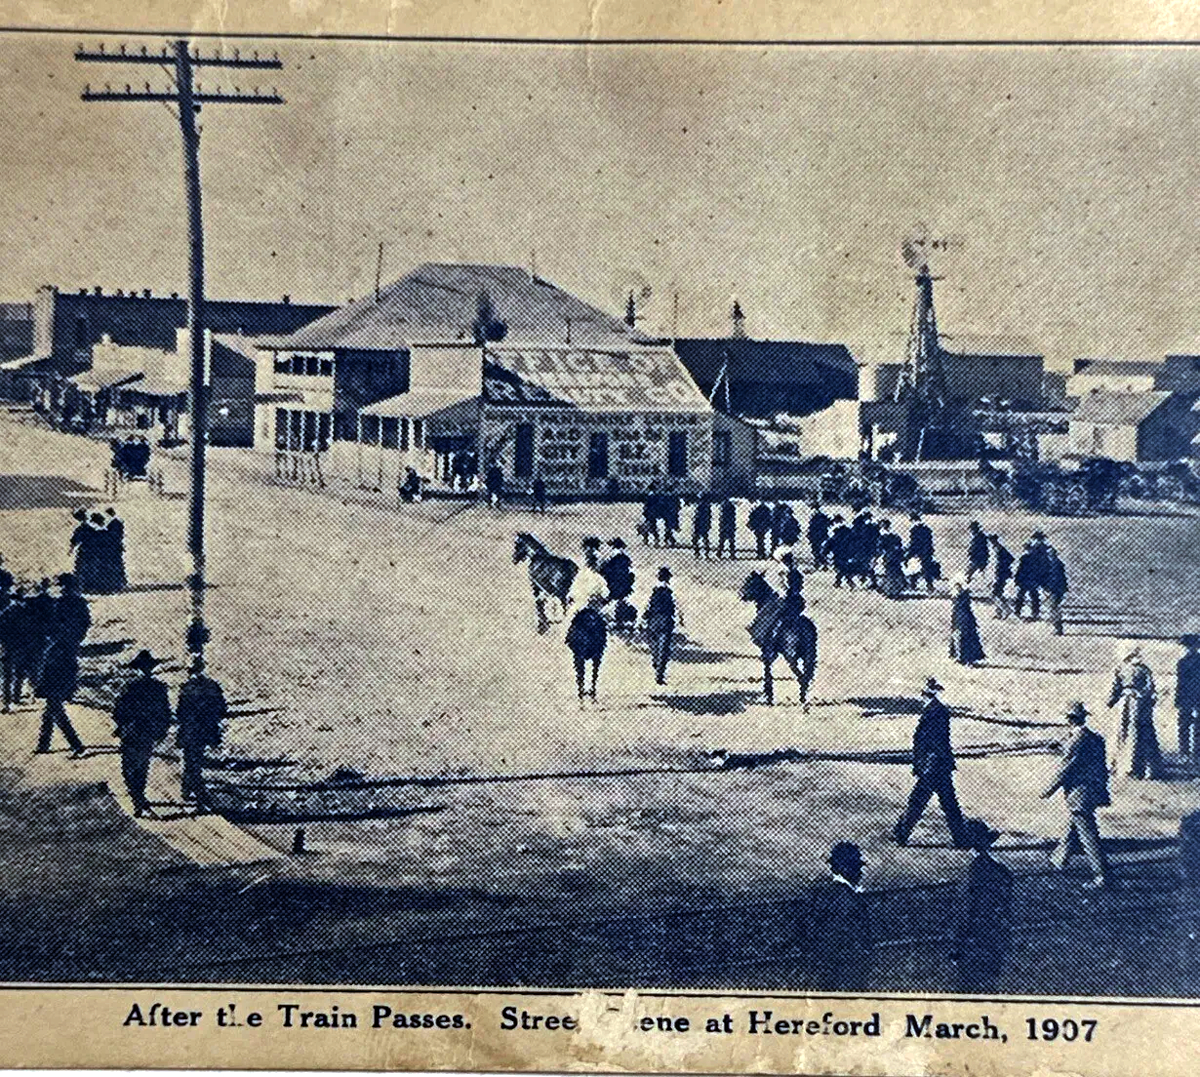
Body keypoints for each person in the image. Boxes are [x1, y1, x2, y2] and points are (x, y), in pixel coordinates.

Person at [1042, 701, 1111, 889]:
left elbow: (1067, 766)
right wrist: (1060, 746)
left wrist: (1048, 790)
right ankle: (1059, 859)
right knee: (1076, 824)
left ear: (1069, 719)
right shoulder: (1095, 738)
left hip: (1079, 793)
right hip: (1093, 791)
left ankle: (1101, 875)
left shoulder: (1076, 740)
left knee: (1088, 834)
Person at [894, 677, 969, 848]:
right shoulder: (936, 711)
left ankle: (902, 833)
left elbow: (933, 742)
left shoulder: (936, 712)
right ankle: (961, 838)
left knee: (918, 801)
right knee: (948, 804)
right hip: (938, 765)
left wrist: (926, 765)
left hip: (933, 766)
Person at [952, 819, 1014, 993]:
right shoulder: (1003, 872)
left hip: (973, 942)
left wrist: (957, 947)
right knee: (991, 990)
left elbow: (965, 912)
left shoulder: (969, 874)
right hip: (995, 940)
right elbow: (1007, 909)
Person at [111, 649, 173, 818]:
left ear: (137, 668)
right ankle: (139, 797)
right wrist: (161, 731)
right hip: (148, 732)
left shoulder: (129, 686)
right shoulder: (159, 688)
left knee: (128, 768)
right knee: (142, 766)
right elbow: (165, 712)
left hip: (131, 731)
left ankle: (137, 798)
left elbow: (118, 710)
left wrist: (121, 724)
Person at [808, 842, 872, 991]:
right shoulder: (852, 902)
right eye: (857, 868)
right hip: (847, 973)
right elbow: (857, 941)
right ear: (846, 869)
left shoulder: (821, 892)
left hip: (824, 971)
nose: (861, 873)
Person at [33, 583, 88, 758]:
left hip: (59, 670)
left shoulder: (66, 608)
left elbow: (55, 627)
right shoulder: (74, 605)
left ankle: (76, 744)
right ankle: (44, 743)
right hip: (60, 667)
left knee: (54, 706)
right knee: (52, 706)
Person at [176, 656, 227, 807]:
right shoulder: (212, 686)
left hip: (190, 730)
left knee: (191, 759)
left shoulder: (186, 687)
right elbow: (222, 709)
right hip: (205, 730)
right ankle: (190, 788)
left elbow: (180, 712)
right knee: (196, 759)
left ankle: (196, 792)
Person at [1107, 643, 1163, 781]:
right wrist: (1144, 698)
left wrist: (1110, 702)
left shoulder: (1121, 668)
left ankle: (1124, 766)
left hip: (1126, 704)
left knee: (1124, 731)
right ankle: (1141, 768)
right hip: (1140, 704)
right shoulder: (1144, 669)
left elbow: (1115, 688)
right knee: (1140, 731)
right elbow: (1150, 688)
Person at [643, 567, 681, 685]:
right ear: (668, 578)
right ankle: (660, 673)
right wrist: (680, 619)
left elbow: (646, 607)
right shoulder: (671, 591)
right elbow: (678, 608)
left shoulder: (653, 590)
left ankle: (656, 663)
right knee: (664, 648)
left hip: (654, 621)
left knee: (654, 645)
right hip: (666, 621)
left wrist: (643, 619)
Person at [949, 579, 985, 666]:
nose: (957, 587)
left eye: (959, 586)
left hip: (965, 620)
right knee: (957, 638)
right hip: (958, 619)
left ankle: (967, 659)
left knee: (965, 639)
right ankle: (959, 657)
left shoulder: (963, 595)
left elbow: (964, 609)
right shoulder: (956, 595)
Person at [1177, 635, 1200, 757]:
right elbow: (1180, 682)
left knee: (1197, 726)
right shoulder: (1181, 662)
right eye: (1186, 647)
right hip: (1185, 698)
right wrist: (1178, 699)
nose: (1188, 649)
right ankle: (1184, 752)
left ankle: (1196, 753)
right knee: (1183, 725)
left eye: (1190, 646)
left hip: (1197, 697)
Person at [1013, 538, 1045, 621]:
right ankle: (1032, 613)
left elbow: (1020, 570)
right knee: (1029, 597)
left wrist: (1017, 579)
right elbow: (1021, 570)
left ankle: (1022, 612)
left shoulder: (1026, 558)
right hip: (1029, 580)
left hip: (1027, 580)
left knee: (1028, 597)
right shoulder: (1033, 558)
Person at [906, 514, 937, 593]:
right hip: (927, 552)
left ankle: (913, 585)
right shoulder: (927, 529)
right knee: (927, 569)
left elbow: (914, 543)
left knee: (914, 569)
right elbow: (930, 542)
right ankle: (930, 586)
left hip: (918, 552)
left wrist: (910, 553)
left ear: (913, 520)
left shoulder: (914, 530)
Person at [1043, 546, 1069, 636]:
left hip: (1056, 589)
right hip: (1059, 589)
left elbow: (1054, 579)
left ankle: (1058, 628)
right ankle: (1058, 628)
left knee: (1053, 608)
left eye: (1049, 554)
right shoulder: (1057, 563)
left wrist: (1048, 588)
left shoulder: (1055, 564)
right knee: (1054, 608)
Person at [877, 519, 906, 599]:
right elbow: (900, 545)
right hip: (896, 556)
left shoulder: (883, 536)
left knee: (889, 573)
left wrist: (879, 555)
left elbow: (880, 548)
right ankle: (896, 590)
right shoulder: (895, 535)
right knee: (896, 572)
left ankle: (890, 591)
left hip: (888, 556)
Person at [989, 534, 1014, 620]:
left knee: (995, 594)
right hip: (999, 575)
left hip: (1001, 575)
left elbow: (1011, 558)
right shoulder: (997, 549)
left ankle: (1006, 610)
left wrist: (1003, 568)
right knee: (997, 594)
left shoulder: (1000, 549)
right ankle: (999, 612)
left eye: (992, 541)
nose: (991, 543)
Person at [826, 515, 854, 588]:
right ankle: (845, 581)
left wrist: (826, 551)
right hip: (846, 551)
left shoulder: (834, 530)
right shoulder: (848, 529)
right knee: (844, 567)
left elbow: (830, 541)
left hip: (838, 551)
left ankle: (841, 582)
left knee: (841, 567)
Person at [807, 502, 831, 570]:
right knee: (820, 550)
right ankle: (821, 563)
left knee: (816, 550)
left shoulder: (815, 516)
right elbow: (828, 523)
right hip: (822, 535)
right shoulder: (822, 515)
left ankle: (820, 563)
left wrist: (809, 535)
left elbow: (811, 527)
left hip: (816, 536)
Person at [691, 494, 713, 560]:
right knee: (704, 540)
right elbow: (709, 517)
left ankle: (698, 553)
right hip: (703, 525)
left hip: (699, 525)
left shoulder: (700, 506)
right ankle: (705, 554)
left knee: (697, 540)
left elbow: (697, 516)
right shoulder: (707, 506)